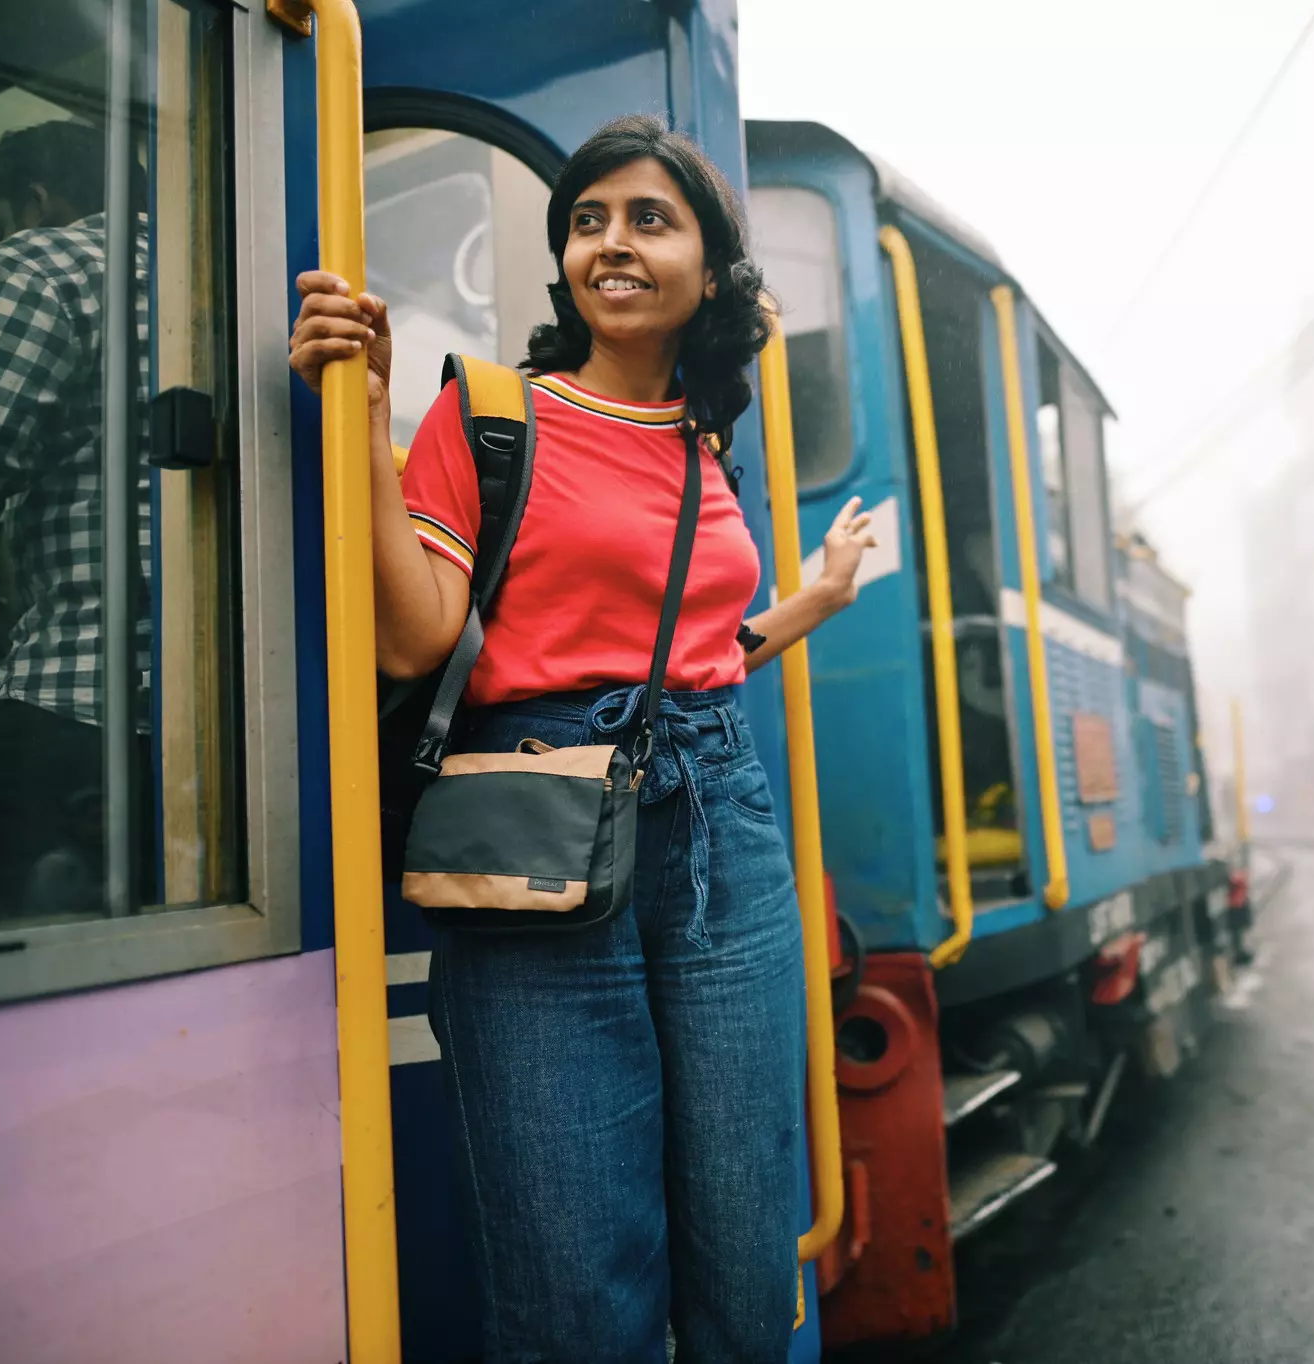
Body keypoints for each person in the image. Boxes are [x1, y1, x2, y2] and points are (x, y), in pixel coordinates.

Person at [288, 115, 875, 1363]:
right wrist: (368, 417)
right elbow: (417, 637)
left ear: (708, 272)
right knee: (576, 1278)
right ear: (563, 259)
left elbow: (693, 658)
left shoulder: (703, 445)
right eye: (588, 219)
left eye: (649, 220)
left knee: (741, 1233)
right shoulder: (489, 415)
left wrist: (810, 602)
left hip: (726, 823)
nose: (611, 241)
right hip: (541, 829)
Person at [0, 119, 151, 924]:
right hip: (228, 738)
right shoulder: (240, 280)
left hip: (71, 699)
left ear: (34, 199)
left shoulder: (44, 263)